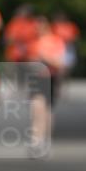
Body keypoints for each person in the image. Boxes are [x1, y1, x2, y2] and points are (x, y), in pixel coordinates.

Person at [25, 16, 67, 154]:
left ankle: (46, 139)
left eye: (39, 25)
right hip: (36, 78)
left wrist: (45, 59)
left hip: (50, 77)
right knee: (36, 108)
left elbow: (60, 63)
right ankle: (35, 139)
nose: (37, 29)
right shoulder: (33, 42)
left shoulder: (55, 40)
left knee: (48, 110)